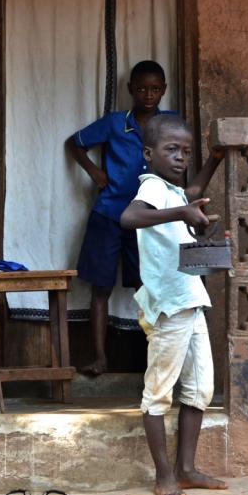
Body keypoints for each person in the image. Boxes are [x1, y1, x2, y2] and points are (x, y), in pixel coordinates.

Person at [119, 114, 226, 495]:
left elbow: (192, 189)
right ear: (148, 154)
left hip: (191, 302)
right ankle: (164, 474)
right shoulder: (152, 187)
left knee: (199, 390)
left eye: (186, 151)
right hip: (169, 308)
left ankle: (186, 468)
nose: (181, 158)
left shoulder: (173, 191)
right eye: (171, 150)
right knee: (159, 394)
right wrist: (183, 212)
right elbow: (129, 218)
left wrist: (213, 158)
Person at [66, 60, 173, 376]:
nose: (148, 95)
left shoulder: (169, 123)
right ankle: (100, 357)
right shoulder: (115, 123)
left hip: (147, 219)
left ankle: (154, 359)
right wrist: (95, 172)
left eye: (155, 89)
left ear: (164, 90)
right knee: (101, 288)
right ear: (130, 90)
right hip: (109, 214)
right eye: (141, 88)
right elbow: (75, 143)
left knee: (147, 287)